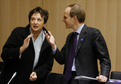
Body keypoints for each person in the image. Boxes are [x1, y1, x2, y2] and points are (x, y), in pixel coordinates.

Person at [44, 4, 111, 84]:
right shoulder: (70, 37)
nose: (63, 20)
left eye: (65, 17)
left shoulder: (93, 34)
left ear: (74, 18)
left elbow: (105, 58)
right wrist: (53, 45)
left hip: (86, 81)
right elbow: (62, 59)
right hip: (68, 80)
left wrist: (104, 75)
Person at [0, 7, 53, 84]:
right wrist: (21, 49)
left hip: (33, 81)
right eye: (33, 19)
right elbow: (5, 55)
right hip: (13, 79)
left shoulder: (48, 39)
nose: (35, 22)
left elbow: (48, 64)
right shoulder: (18, 33)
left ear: (44, 23)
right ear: (29, 21)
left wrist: (37, 73)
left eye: (39, 20)